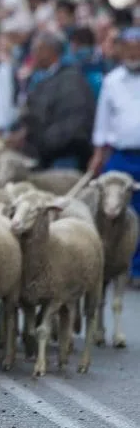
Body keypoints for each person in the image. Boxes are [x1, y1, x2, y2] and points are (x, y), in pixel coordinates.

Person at [88, 27, 140, 279]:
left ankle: (138, 268)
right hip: (120, 155)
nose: (133, 53)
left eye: (137, 47)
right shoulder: (112, 81)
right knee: (111, 211)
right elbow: (103, 121)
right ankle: (111, 264)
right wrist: (98, 153)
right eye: (128, 47)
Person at [8, 30, 95, 171]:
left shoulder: (71, 80)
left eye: (36, 50)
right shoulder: (42, 77)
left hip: (64, 158)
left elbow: (73, 124)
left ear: (49, 51)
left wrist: (34, 140)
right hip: (43, 155)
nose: (33, 55)